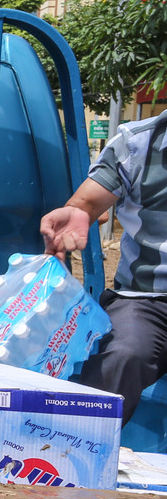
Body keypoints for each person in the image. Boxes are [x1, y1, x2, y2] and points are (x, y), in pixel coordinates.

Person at [41, 111, 167, 423]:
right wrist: (76, 213)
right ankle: (71, 450)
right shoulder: (137, 142)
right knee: (123, 354)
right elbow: (86, 203)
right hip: (147, 299)